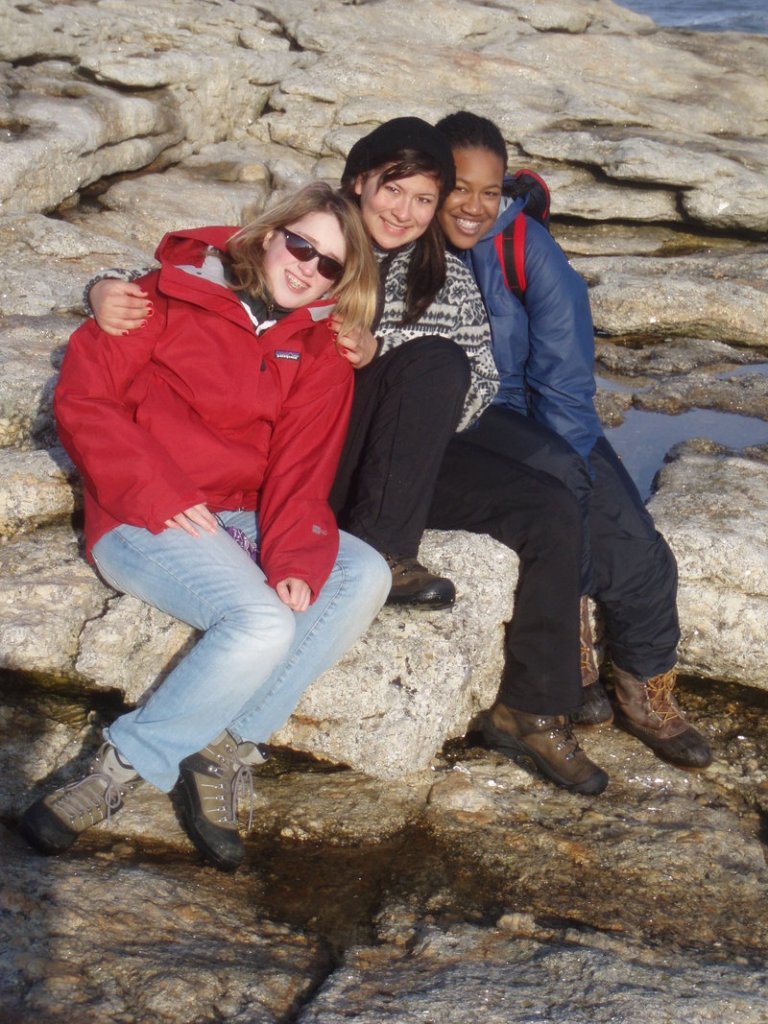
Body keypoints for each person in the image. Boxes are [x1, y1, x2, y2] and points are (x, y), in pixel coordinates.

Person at [82, 119, 609, 797]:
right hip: (317, 459)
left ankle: (532, 706)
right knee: (431, 362)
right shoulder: (315, 242)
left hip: (405, 451)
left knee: (550, 506)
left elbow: (479, 379)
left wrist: (387, 370)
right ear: (359, 181)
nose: (406, 212)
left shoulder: (439, 272)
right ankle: (387, 551)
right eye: (395, 191)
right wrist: (103, 286)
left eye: (424, 200)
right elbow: (209, 269)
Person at [19, 182, 391, 871]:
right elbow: (85, 400)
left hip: (236, 516)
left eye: (330, 265)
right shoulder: (159, 299)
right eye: (301, 244)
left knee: (362, 572)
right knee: (261, 624)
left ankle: (223, 747)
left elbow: (301, 474)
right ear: (271, 233)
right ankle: (120, 768)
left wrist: (294, 563)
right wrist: (155, 491)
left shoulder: (322, 349)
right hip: (138, 510)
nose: (308, 267)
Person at [432, 110, 711, 771]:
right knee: (561, 529)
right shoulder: (403, 239)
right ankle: (572, 668)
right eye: (456, 188)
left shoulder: (525, 250)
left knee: (636, 552)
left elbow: (563, 388)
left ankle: (643, 691)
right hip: (455, 423)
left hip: (541, 415)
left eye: (488, 191)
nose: (472, 207)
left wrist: (576, 497)